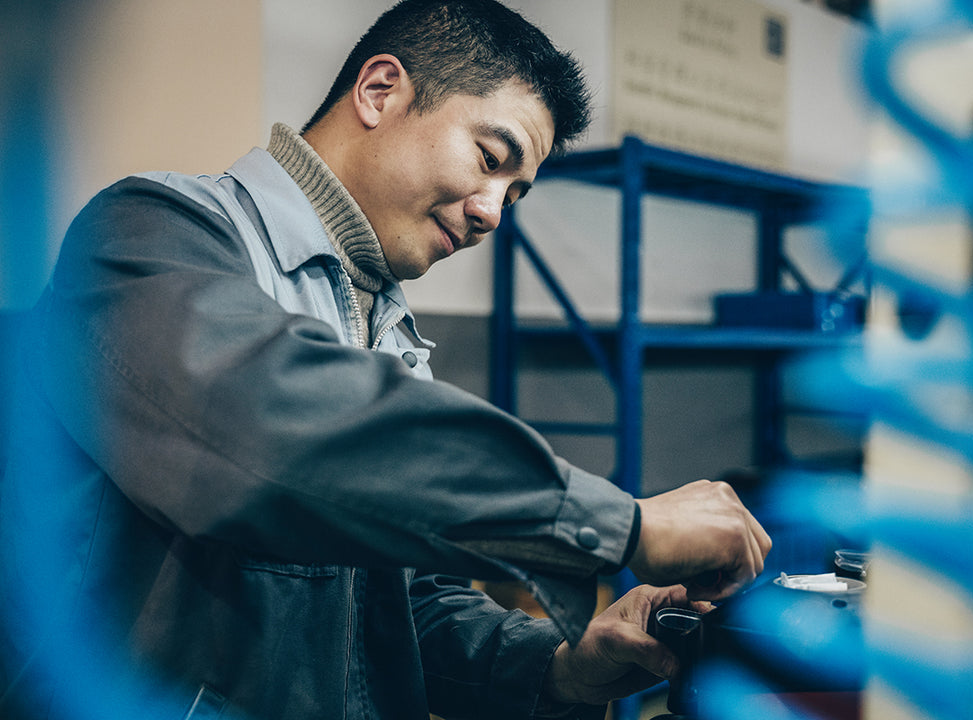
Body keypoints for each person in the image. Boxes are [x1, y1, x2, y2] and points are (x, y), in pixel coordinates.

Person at [0, 1, 771, 718]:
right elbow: (273, 432)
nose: (492, 211)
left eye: (517, 191)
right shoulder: (147, 237)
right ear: (378, 90)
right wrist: (619, 525)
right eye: (489, 155)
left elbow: (408, 611)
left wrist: (564, 666)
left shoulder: (387, 329)